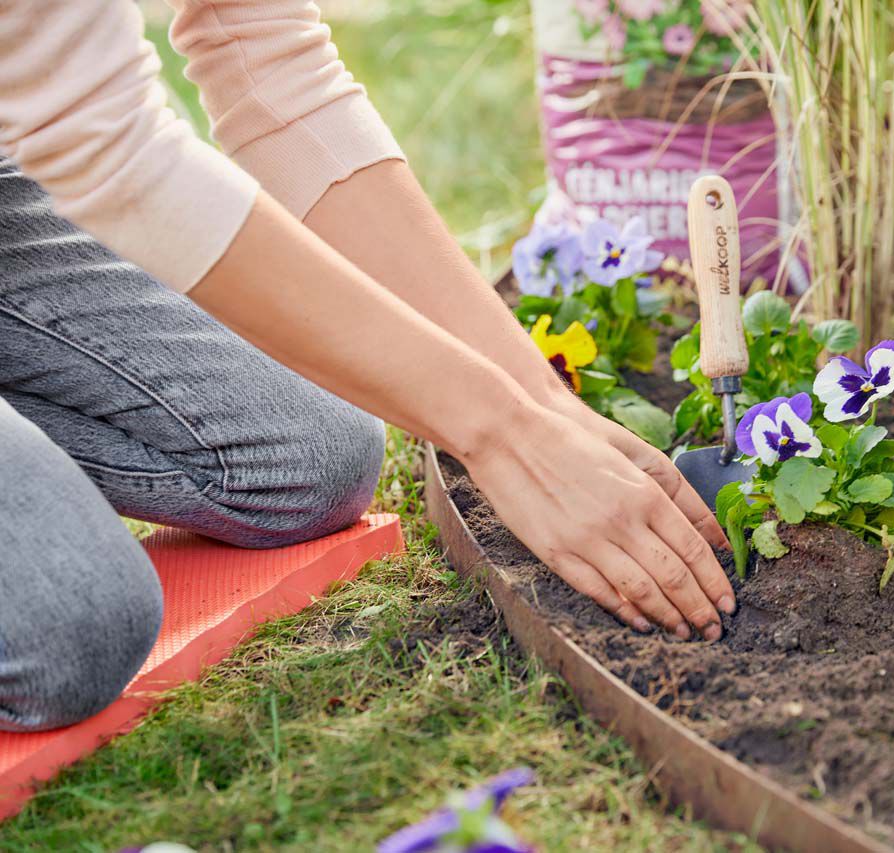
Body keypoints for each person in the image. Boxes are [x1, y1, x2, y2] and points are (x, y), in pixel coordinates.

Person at [0, 0, 734, 733]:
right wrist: (505, 436)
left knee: (314, 456)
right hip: (66, 134)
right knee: (72, 628)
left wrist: (540, 400)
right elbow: (116, 159)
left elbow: (261, 50)